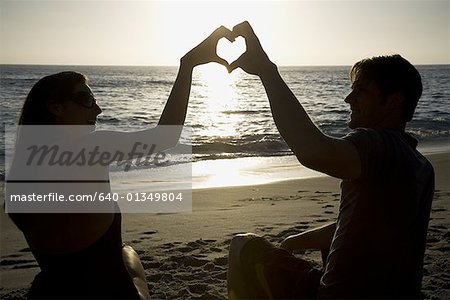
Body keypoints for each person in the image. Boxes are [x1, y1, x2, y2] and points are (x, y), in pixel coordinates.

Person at [6, 26, 234, 299]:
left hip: (51, 292)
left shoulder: (19, 175)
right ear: (56, 107)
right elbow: (167, 136)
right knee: (127, 252)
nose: (98, 110)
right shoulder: (92, 148)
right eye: (87, 99)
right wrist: (187, 65)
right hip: (111, 292)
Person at [227, 21, 435, 299]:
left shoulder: (378, 144)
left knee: (243, 245)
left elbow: (313, 151)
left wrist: (267, 71)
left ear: (393, 101)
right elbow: (357, 229)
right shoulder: (421, 166)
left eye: (360, 90)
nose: (349, 98)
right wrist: (294, 241)